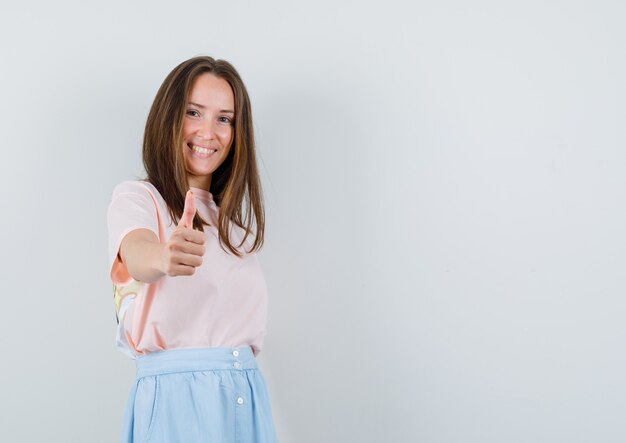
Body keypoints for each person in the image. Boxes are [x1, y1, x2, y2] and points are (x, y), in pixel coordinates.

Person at [106, 56, 278, 442]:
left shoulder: (232, 227)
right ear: (168, 117)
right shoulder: (138, 199)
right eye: (194, 112)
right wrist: (163, 256)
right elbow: (137, 251)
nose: (208, 131)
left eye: (224, 118)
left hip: (246, 395)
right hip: (177, 401)